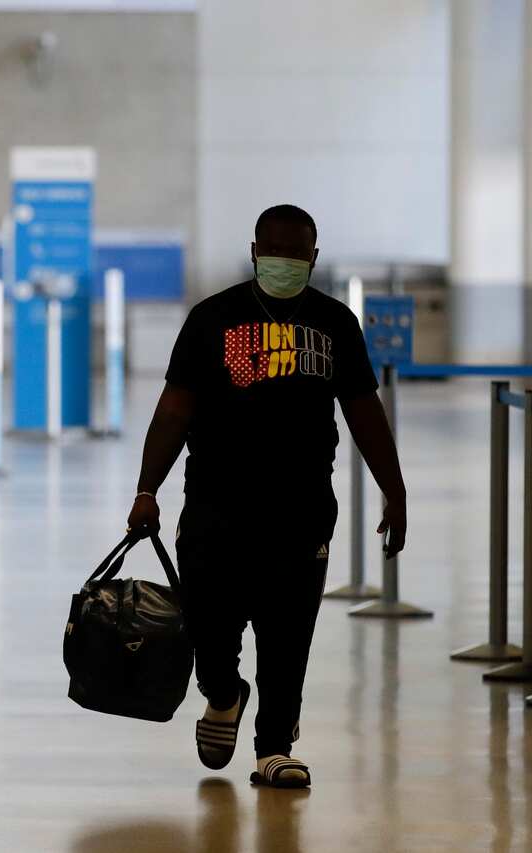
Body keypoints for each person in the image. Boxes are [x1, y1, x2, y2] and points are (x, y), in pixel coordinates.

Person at [126, 204, 407, 789]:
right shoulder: (212, 318)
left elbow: (363, 411)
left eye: (295, 253)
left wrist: (393, 488)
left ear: (313, 257)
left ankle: (274, 747)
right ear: (255, 252)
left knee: (287, 636)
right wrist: (146, 488)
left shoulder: (335, 324)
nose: (284, 262)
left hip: (301, 513)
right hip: (214, 509)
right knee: (211, 631)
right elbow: (175, 409)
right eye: (273, 251)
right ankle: (224, 694)